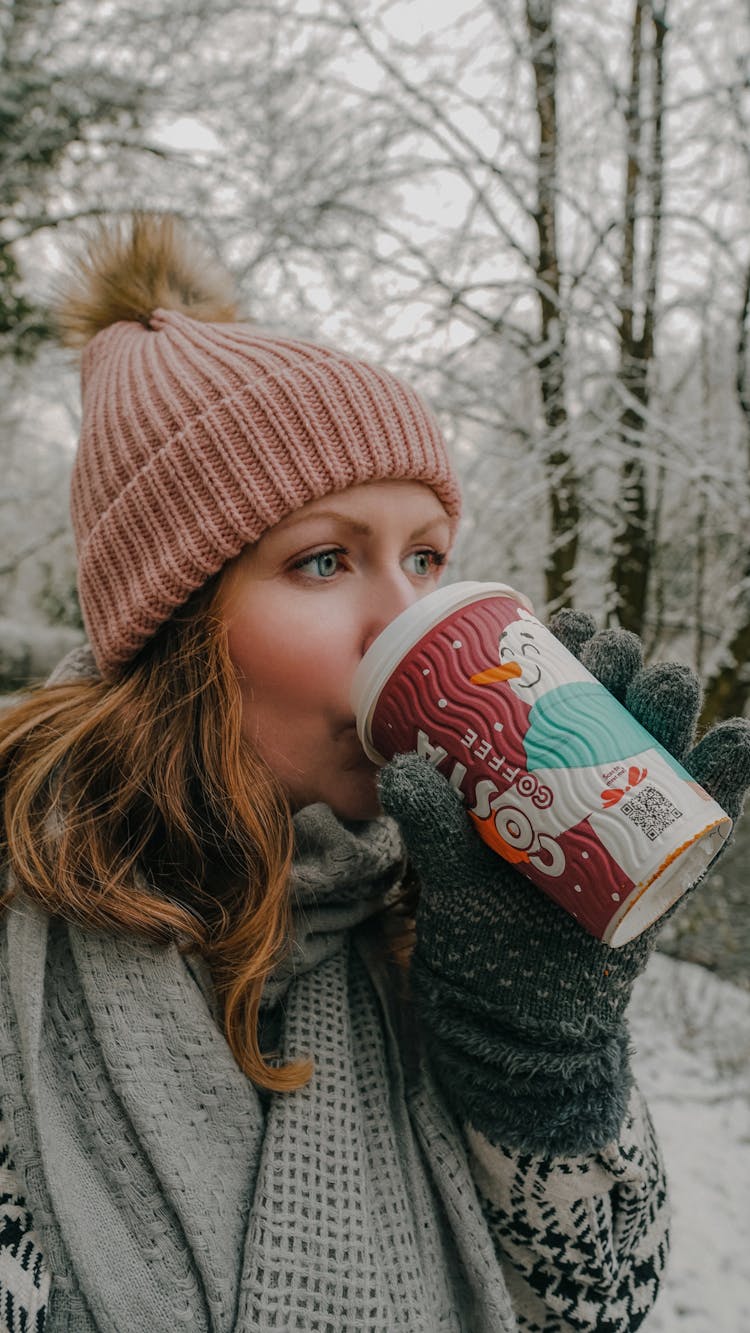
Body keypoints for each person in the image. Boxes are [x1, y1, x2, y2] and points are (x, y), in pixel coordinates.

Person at [0, 213, 748, 1333]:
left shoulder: (436, 914)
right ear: (173, 619)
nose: (406, 615)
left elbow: (604, 1304)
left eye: (428, 556)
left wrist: (538, 1054)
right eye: (322, 559)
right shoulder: (25, 922)